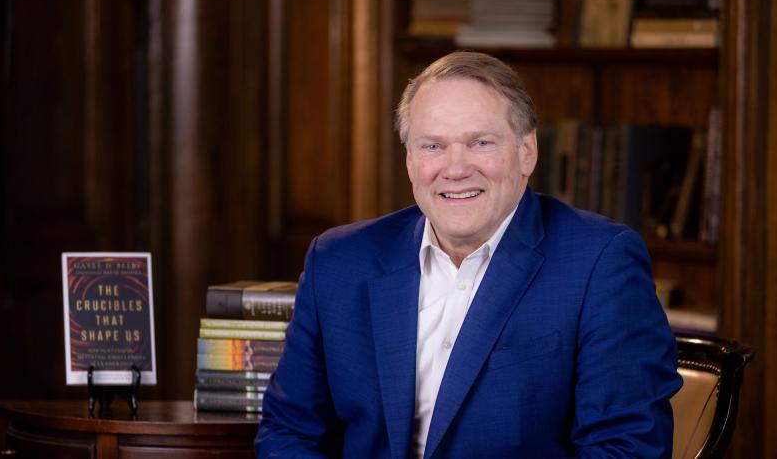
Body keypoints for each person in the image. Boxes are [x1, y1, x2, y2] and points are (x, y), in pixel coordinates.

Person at [255, 51, 682, 458]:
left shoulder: (599, 263)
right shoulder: (340, 261)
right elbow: (290, 429)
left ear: (526, 152)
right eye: (433, 146)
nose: (455, 168)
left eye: (480, 142)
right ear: (409, 161)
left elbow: (626, 449)